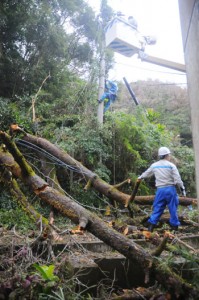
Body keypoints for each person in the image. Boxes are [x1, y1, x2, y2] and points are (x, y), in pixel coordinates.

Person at [138, 147, 186, 232]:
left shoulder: (155, 165)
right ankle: (174, 229)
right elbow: (178, 179)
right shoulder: (171, 165)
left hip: (160, 190)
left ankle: (150, 228)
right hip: (170, 190)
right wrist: (183, 190)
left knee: (158, 208)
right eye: (169, 155)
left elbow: (146, 174)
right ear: (167, 155)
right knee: (173, 209)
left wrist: (140, 177)